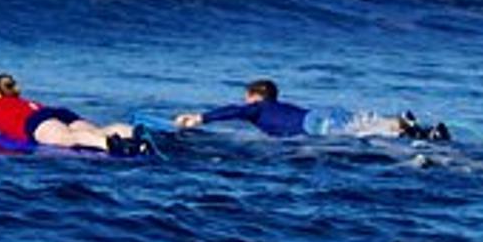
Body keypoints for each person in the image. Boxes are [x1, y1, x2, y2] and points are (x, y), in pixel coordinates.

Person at [0, 72, 151, 155]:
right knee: (96, 128)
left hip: (36, 122)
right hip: (54, 112)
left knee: (68, 140)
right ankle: (135, 135)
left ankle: (112, 145)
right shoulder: (25, 101)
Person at [174, 78, 448, 140]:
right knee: (364, 123)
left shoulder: (255, 108)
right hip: (317, 113)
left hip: (314, 125)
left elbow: (235, 111)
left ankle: (408, 131)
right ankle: (411, 126)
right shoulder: (278, 105)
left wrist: (199, 118)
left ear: (253, 96)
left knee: (362, 132)